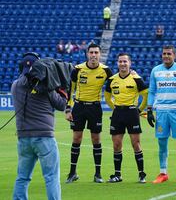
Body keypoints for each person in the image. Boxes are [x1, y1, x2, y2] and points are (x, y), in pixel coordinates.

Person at [12, 53, 68, 200]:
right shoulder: (46, 86)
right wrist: (62, 88)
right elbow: (62, 105)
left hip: (23, 138)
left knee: (22, 177)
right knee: (51, 177)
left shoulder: (15, 85)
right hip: (44, 137)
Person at [65, 43, 113, 184]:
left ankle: (97, 174)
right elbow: (70, 90)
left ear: (100, 54)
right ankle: (72, 173)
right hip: (79, 107)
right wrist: (68, 109)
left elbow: (117, 82)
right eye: (91, 52)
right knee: (76, 139)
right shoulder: (78, 69)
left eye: (96, 52)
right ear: (87, 54)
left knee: (96, 140)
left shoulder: (106, 71)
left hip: (95, 108)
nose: (93, 55)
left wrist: (132, 72)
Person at [147, 45, 176, 184]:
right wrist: (149, 110)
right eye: (164, 54)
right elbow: (152, 91)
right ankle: (163, 173)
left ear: (174, 55)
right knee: (161, 143)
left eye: (169, 54)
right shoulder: (155, 71)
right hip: (161, 111)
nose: (166, 56)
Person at [104, 53, 148, 183]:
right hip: (118, 113)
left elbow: (145, 94)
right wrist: (115, 108)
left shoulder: (136, 78)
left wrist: (139, 110)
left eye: (125, 62)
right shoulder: (112, 79)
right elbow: (107, 97)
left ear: (130, 63)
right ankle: (117, 175)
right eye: (120, 62)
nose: (122, 64)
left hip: (132, 113)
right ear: (117, 63)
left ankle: (141, 174)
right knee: (116, 144)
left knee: (136, 144)